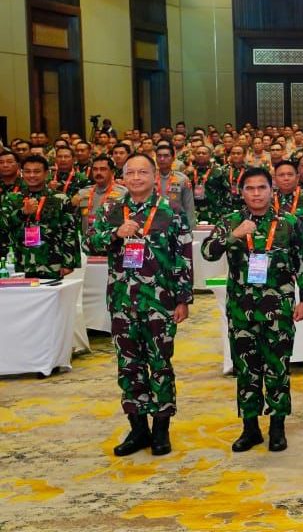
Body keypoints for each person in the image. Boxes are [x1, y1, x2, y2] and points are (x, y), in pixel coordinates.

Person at [87, 153, 193, 456]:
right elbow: (89, 243)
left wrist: (183, 299)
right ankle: (138, 429)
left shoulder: (170, 210)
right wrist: (115, 233)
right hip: (122, 301)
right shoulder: (111, 209)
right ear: (122, 177)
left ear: (153, 176)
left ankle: (161, 429)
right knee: (129, 365)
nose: (136, 178)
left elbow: (183, 256)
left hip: (159, 301)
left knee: (160, 364)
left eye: (142, 172)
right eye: (130, 173)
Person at [201, 167, 303, 452]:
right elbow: (207, 252)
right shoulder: (230, 221)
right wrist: (234, 235)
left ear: (271, 190)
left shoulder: (289, 222)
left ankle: (277, 427)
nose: (256, 193)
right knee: (246, 370)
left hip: (278, 311)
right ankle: (250, 428)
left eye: (262, 187)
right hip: (242, 309)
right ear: (242, 192)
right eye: (249, 188)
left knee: (278, 368)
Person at [0, 155, 81, 278]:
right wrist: (22, 213)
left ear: (46, 174)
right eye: (27, 171)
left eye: (37, 171)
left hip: (51, 263)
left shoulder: (60, 198)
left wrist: (68, 263)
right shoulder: (12, 198)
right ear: (21, 173)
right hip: (19, 263)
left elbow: (69, 231)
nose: (32, 175)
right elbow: (3, 227)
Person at [74, 155, 128, 243]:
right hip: (87, 243)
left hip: (112, 243)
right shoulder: (83, 193)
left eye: (103, 169)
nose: (98, 172)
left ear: (112, 172)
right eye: (95, 169)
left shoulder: (123, 193)